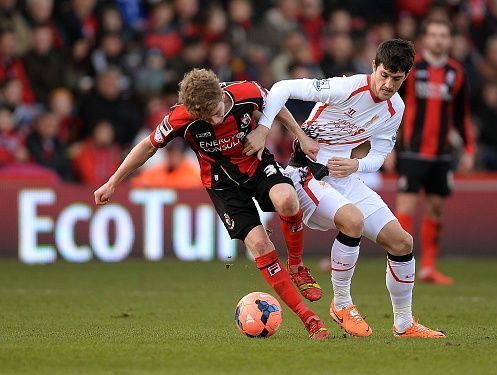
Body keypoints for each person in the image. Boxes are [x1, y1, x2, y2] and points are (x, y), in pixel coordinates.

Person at [94, 68, 328, 339]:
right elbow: (148, 146)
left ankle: (297, 265)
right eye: (207, 117)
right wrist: (113, 182)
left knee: (287, 201)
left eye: (217, 111)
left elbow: (276, 104)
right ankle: (309, 319)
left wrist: (295, 134)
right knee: (260, 245)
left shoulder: (245, 91)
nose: (215, 120)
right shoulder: (180, 117)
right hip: (222, 185)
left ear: (221, 93)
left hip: (256, 164)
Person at [244, 39, 445, 338]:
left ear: (406, 77)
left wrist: (357, 165)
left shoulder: (395, 109)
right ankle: (341, 304)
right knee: (352, 220)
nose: (388, 84)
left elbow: (378, 154)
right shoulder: (346, 87)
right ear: (374, 66)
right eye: (385, 75)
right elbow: (281, 88)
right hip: (306, 175)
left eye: (397, 79)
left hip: (345, 178)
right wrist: (264, 129)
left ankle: (404, 325)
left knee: (402, 242)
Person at [396, 18, 475, 285]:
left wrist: (469, 148)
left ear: (449, 40)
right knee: (405, 206)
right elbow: (394, 107)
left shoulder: (457, 73)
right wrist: (389, 146)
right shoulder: (410, 69)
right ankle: (399, 263)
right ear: (425, 39)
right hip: (412, 150)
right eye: (434, 34)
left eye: (444, 35)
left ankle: (429, 266)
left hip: (442, 153)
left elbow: (462, 115)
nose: (439, 40)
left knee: (436, 207)